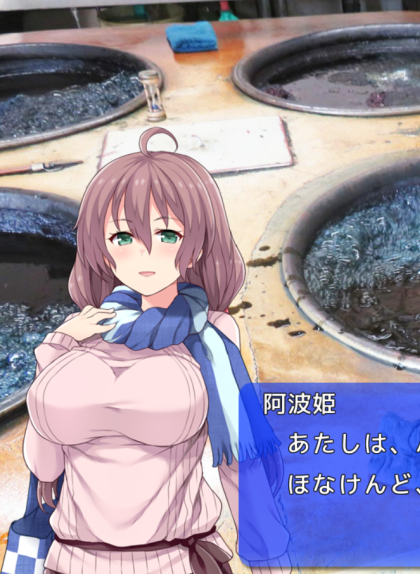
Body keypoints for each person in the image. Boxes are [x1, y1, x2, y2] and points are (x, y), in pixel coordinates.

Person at [12, 127, 291, 574]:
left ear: (197, 244)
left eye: (167, 234)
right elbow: (45, 467)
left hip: (173, 559)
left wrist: (269, 558)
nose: (145, 254)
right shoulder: (79, 332)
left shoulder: (212, 336)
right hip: (70, 560)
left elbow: (241, 465)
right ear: (103, 249)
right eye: (123, 238)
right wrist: (56, 350)